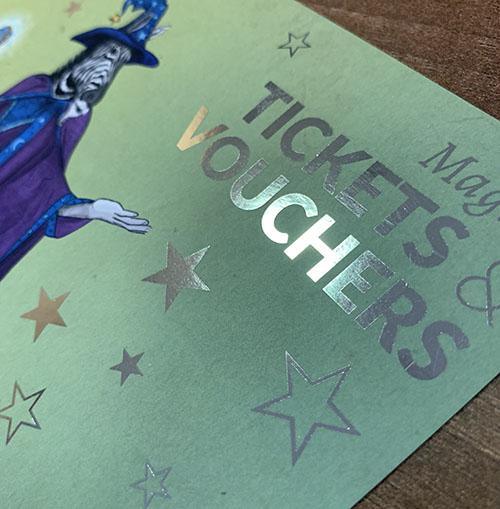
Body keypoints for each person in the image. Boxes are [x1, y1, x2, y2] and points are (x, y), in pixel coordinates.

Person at [0, 0, 168, 280]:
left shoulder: (68, 123)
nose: (107, 68)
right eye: (110, 54)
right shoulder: (35, 88)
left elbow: (43, 192)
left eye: (118, 62)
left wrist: (91, 210)